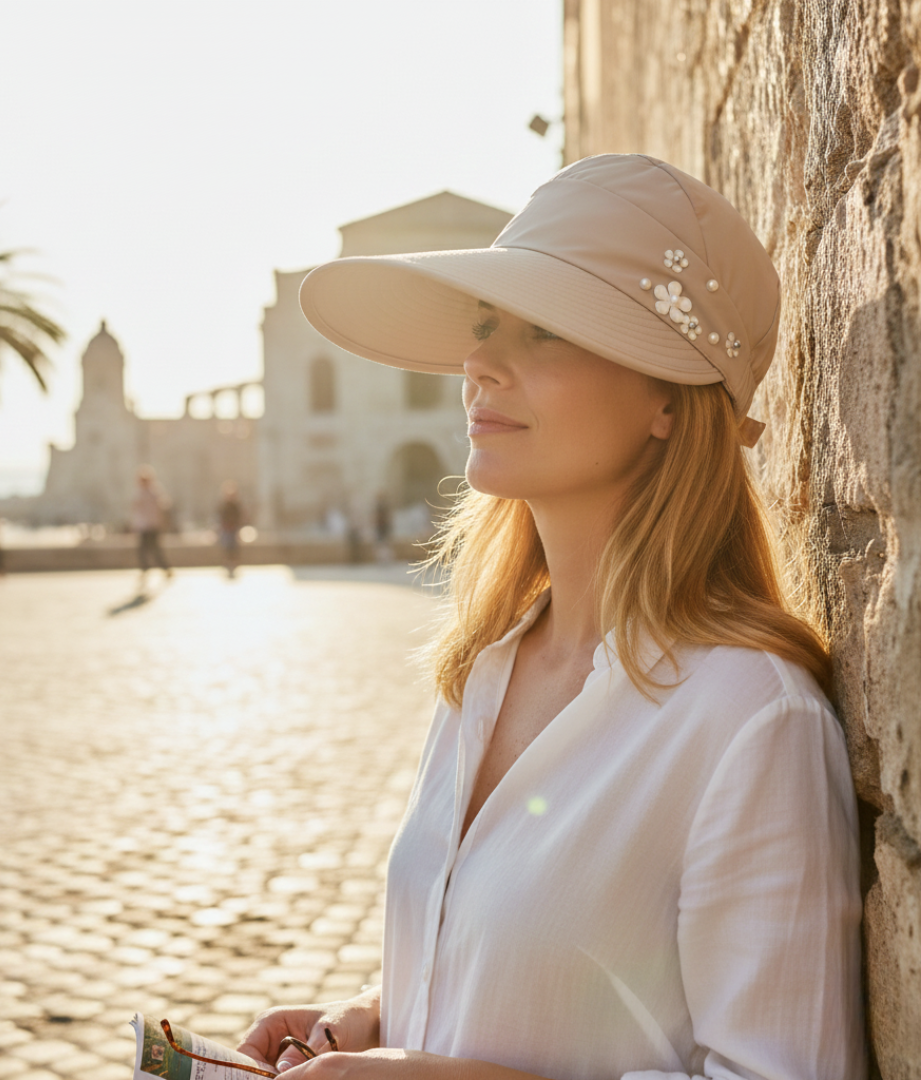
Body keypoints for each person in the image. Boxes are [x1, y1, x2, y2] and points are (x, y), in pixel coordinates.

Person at [237, 156, 863, 1079]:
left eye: (542, 332)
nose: (477, 363)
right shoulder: (480, 672)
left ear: (665, 397)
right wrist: (380, 1016)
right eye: (486, 326)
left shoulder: (749, 721)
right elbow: (546, 970)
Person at [131, 466, 172, 582]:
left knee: (154, 549)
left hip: (152, 525)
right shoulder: (142, 492)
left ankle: (163, 569)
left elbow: (163, 506)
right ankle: (147, 569)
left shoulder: (153, 491)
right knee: (144, 550)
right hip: (145, 525)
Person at [217, 481, 244, 578]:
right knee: (227, 546)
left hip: (233, 529)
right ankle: (228, 563)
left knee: (234, 547)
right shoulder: (223, 505)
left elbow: (238, 517)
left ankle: (233, 564)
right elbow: (220, 516)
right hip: (226, 529)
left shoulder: (235, 505)